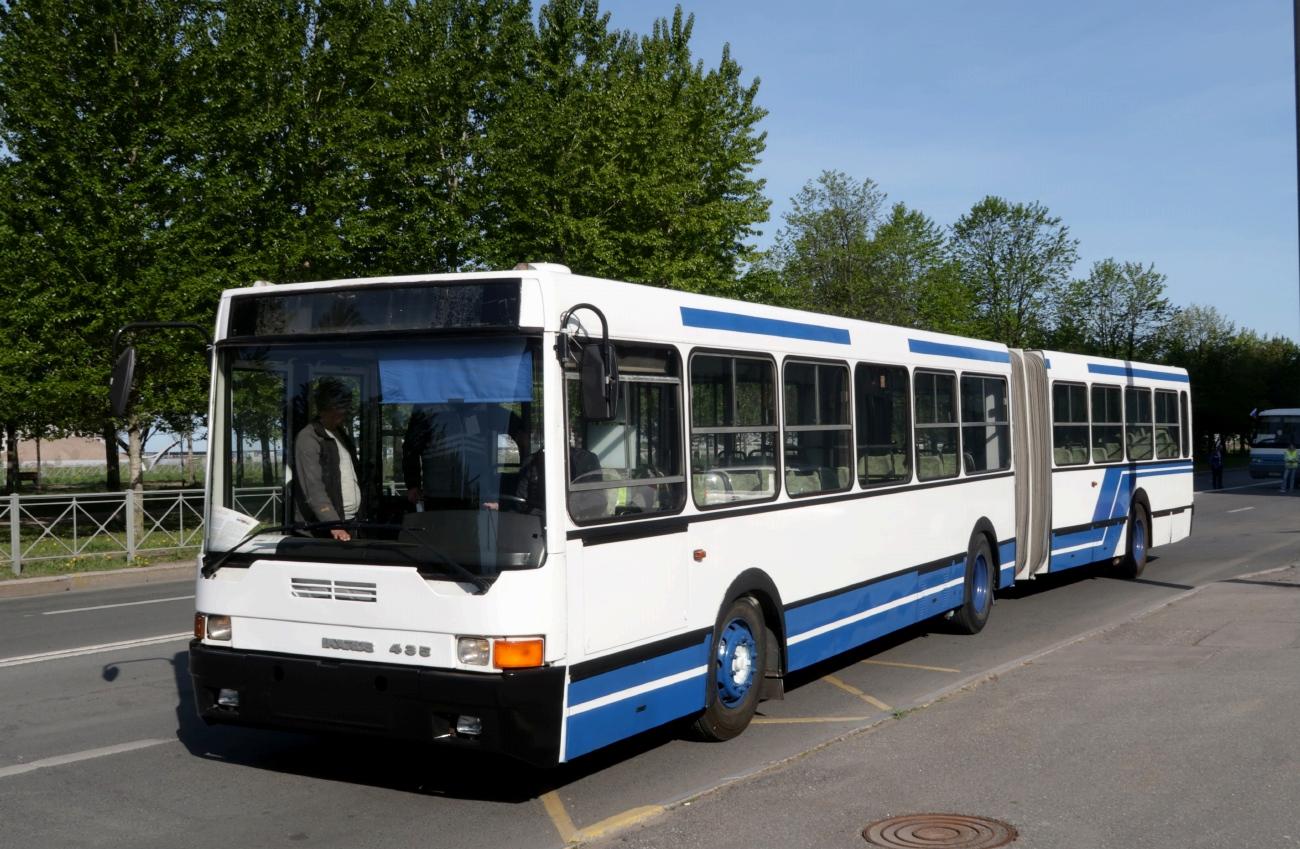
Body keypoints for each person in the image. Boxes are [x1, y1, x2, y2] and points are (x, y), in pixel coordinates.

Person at [294, 378, 360, 540]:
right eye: (342, 407)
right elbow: (313, 486)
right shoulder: (309, 437)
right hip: (325, 530)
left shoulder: (340, 434)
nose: (345, 412)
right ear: (328, 407)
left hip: (347, 522)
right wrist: (332, 522)